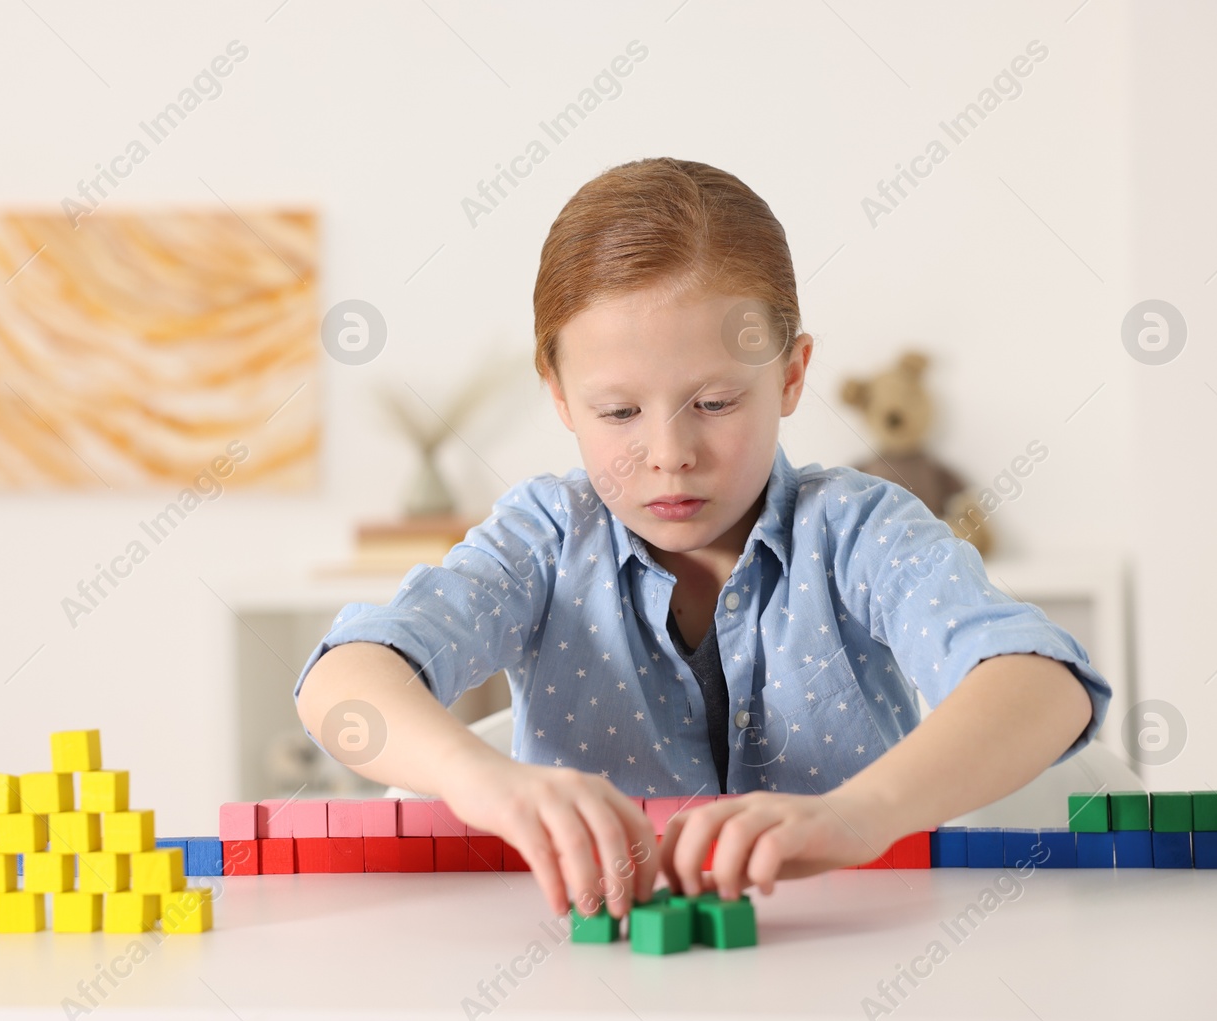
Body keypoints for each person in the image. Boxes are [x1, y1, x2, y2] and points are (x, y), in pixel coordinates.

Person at [294, 157, 1111, 922]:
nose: (669, 452)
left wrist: (862, 815)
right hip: (596, 966)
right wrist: (484, 783)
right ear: (560, 396)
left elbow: (1045, 686)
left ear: (791, 375)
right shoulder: (544, 539)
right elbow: (344, 682)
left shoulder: (861, 529)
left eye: (716, 401)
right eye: (619, 412)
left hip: (857, 951)